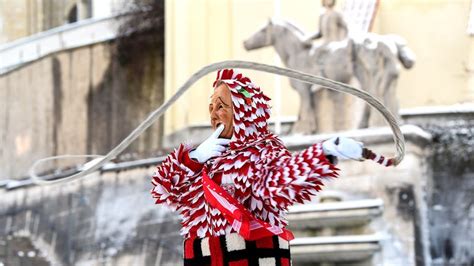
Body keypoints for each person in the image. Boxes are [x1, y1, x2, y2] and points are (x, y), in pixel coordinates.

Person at [151, 69, 364, 265]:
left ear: (244, 112)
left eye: (221, 106)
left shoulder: (263, 154)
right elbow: (164, 190)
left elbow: (282, 181)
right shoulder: (202, 161)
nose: (213, 114)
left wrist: (324, 153)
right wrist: (195, 157)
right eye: (211, 107)